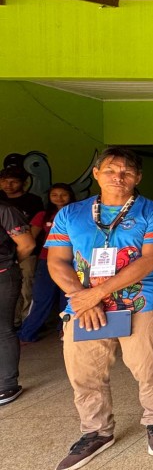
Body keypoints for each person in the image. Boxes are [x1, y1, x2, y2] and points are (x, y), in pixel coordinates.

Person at [46, 147, 153, 470]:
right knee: (84, 372)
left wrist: (97, 294)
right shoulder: (70, 214)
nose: (119, 177)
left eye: (127, 172)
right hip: (83, 307)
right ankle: (96, 431)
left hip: (140, 303)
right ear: (96, 173)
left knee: (147, 368)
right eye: (111, 170)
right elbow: (57, 261)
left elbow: (151, 259)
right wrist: (82, 297)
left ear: (138, 177)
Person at [18, 184, 76, 343]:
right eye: (54, 195)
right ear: (49, 197)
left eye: (63, 194)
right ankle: (27, 333)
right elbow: (31, 238)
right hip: (47, 260)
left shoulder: (78, 213)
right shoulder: (43, 215)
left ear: (71, 195)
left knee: (69, 297)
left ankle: (65, 330)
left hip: (74, 260)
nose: (59, 198)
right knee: (41, 297)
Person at [0, 164, 45, 327]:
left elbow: (35, 229)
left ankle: (28, 322)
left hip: (25, 252)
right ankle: (13, 321)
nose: (8, 185)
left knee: (27, 288)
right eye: (4, 181)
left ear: (24, 183)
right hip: (4, 256)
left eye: (13, 182)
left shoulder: (32, 201)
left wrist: (15, 258)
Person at [0, 202, 34, 405]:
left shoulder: (5, 210)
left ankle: (7, 384)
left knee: (2, 328)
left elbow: (27, 244)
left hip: (3, 275)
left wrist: (8, 265)